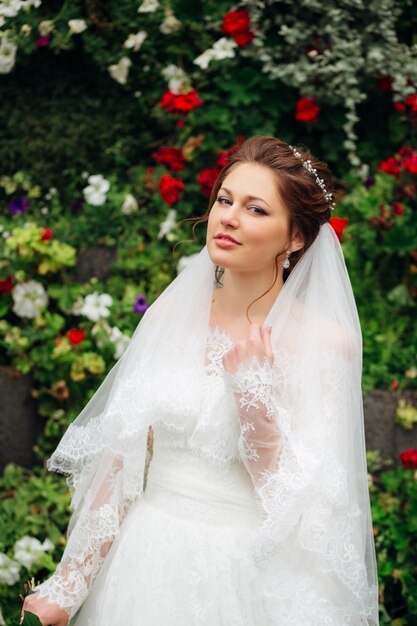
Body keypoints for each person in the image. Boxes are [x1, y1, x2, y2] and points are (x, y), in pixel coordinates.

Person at [21, 136, 379, 625]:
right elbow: (120, 461)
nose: (228, 217)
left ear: (296, 237)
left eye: (255, 209)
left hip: (243, 580)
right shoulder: (173, 310)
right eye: (224, 200)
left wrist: (253, 395)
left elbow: (303, 507)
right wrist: (69, 585)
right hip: (142, 566)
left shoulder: (325, 342)